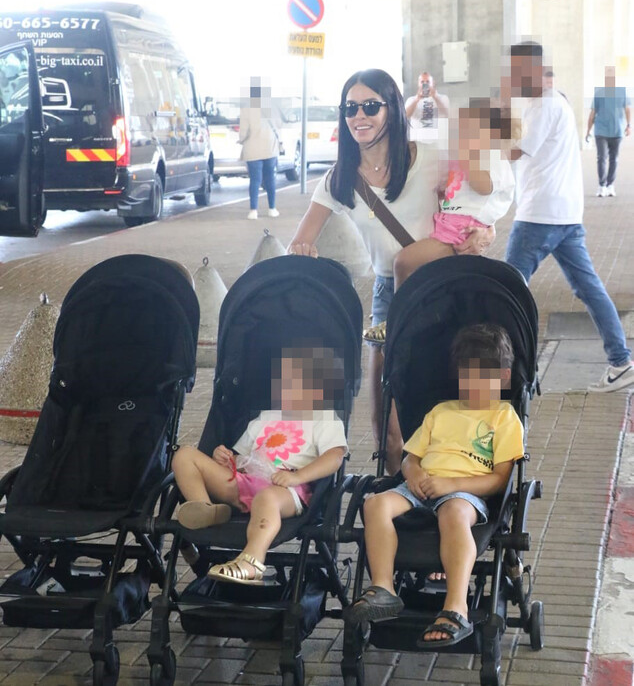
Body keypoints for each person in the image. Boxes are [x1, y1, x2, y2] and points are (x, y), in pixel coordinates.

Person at [287, 69, 495, 474]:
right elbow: (300, 240)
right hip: (389, 293)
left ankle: (450, 482)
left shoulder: (430, 158)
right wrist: (302, 251)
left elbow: (480, 208)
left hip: (441, 286)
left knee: (444, 396)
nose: (359, 116)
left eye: (370, 106)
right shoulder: (339, 179)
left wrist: (487, 233)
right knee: (385, 413)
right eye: (350, 108)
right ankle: (394, 485)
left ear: (393, 109)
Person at [346, 324, 524, 649]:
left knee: (454, 512)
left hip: (466, 491)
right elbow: (410, 458)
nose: (475, 386)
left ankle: (456, 606)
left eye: (485, 378)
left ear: (504, 377)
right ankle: (383, 588)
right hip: (422, 486)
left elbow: (500, 478)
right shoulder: (441, 412)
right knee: (374, 503)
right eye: (468, 377)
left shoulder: (504, 417)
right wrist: (413, 473)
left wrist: (451, 484)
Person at [504, 42, 634, 393]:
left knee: (505, 289)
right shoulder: (550, 103)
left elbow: (516, 150)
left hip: (539, 216)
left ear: (534, 70)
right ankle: (621, 361)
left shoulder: (544, 105)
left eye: (516, 71)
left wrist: (480, 139)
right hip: (565, 215)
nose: (512, 78)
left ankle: (511, 372)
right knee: (588, 288)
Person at [172, 347, 347, 584]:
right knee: (184, 455)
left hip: (286, 488)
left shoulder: (325, 420)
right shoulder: (265, 417)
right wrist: (224, 458)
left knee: (267, 498)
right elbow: (241, 458)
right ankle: (205, 509)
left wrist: (298, 477)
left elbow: (334, 457)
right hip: (246, 481)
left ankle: (252, 560)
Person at [363, 98, 517, 343]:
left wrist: (465, 158)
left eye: (471, 130)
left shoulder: (492, 158)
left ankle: (398, 318)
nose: (463, 136)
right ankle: (402, 315)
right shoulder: (463, 155)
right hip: (448, 225)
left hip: (459, 231)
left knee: (403, 262)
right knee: (411, 267)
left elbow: (484, 187)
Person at [586, 66, 631, 197]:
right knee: (601, 158)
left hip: (617, 131)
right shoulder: (599, 93)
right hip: (601, 131)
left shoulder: (622, 92)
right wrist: (588, 130)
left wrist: (629, 125)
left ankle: (610, 185)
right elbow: (593, 113)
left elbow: (627, 109)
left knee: (614, 159)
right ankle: (602, 185)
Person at [239, 78, 280, 220]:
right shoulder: (272, 107)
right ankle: (272, 208)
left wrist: (240, 140)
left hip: (253, 149)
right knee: (270, 179)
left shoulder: (246, 109)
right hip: (270, 148)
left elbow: (244, 131)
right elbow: (278, 126)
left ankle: (253, 211)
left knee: (255, 180)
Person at [405, 71, 450, 146]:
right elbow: (405, 116)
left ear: (433, 83)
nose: (425, 84)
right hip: (418, 144)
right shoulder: (411, 100)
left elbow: (446, 114)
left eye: (428, 82)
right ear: (418, 84)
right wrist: (417, 99)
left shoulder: (443, 98)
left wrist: (435, 97)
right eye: (422, 82)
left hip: (437, 144)